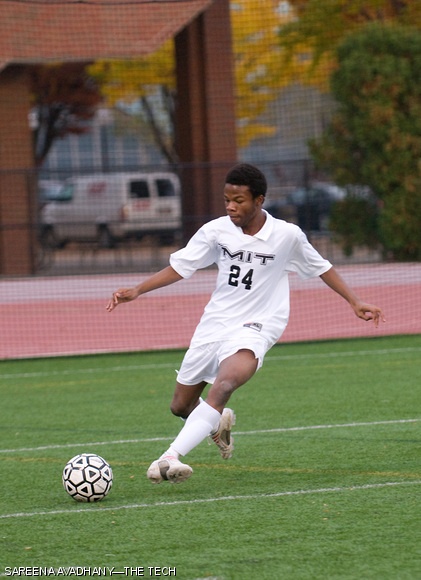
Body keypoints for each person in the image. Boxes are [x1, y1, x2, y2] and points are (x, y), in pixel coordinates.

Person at [106, 163, 385, 484]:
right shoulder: (216, 231)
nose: (230, 206)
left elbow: (321, 267)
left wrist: (354, 301)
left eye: (238, 200)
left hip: (258, 325)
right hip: (215, 324)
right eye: (227, 199)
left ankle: (169, 457)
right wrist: (138, 290)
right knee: (181, 406)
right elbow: (182, 266)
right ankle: (217, 422)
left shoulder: (286, 235)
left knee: (223, 385)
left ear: (259, 200)